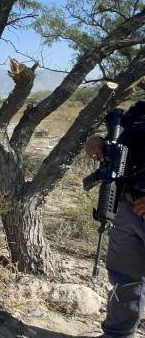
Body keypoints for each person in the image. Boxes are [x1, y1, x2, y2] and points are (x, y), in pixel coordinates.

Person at [85, 100, 145, 338]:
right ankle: (117, 334)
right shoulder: (139, 112)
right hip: (128, 206)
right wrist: (97, 141)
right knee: (125, 277)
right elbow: (120, 143)